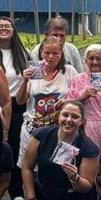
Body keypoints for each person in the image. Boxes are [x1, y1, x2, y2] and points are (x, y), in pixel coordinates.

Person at [22, 101, 99, 200]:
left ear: (82, 121)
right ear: (59, 116)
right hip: (45, 197)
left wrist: (75, 178)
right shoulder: (41, 136)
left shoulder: (88, 147)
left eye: (74, 117)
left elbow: (86, 186)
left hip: (75, 199)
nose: (69, 120)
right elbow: (27, 168)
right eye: (65, 115)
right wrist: (31, 199)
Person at [15, 35, 79, 166]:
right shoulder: (34, 71)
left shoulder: (69, 71)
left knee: (56, 166)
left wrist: (68, 100)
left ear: (61, 54)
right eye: (47, 53)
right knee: (29, 166)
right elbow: (20, 101)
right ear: (41, 54)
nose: (50, 57)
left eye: (55, 53)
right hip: (32, 128)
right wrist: (24, 81)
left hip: (58, 130)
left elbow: (78, 97)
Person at [0, 16, 31, 200]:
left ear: (14, 30)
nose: (4, 28)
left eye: (8, 26)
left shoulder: (23, 54)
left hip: (18, 103)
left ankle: (16, 191)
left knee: (14, 147)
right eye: (0, 26)